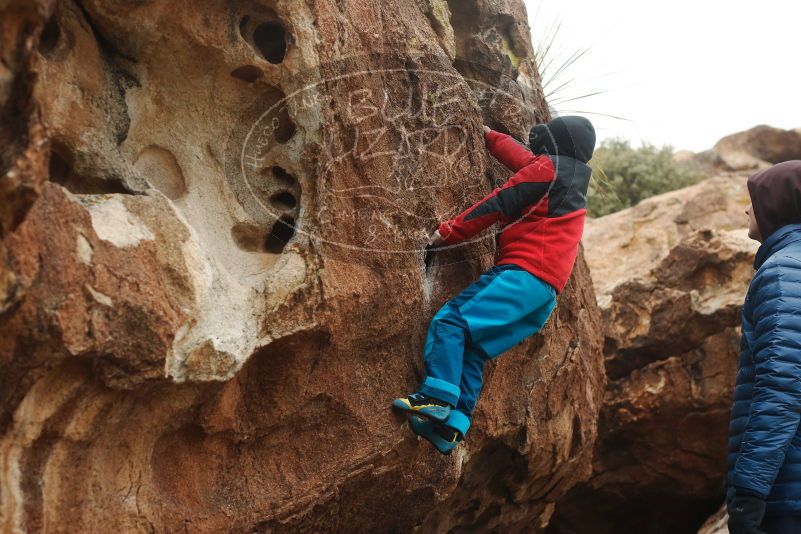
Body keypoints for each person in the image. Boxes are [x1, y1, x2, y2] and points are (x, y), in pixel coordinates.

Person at [391, 115, 596, 454]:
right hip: (543, 296)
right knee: (473, 346)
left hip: (522, 276)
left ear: (556, 144)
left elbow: (499, 202)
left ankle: (435, 398)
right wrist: (489, 136)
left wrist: (448, 234)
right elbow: (524, 160)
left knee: (451, 321)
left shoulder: (547, 170)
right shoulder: (568, 180)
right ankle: (454, 424)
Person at [726, 160, 801, 534]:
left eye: (752, 200)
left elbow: (782, 390)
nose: (745, 209)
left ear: (778, 204)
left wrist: (749, 492)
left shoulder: (784, 273)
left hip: (787, 493)